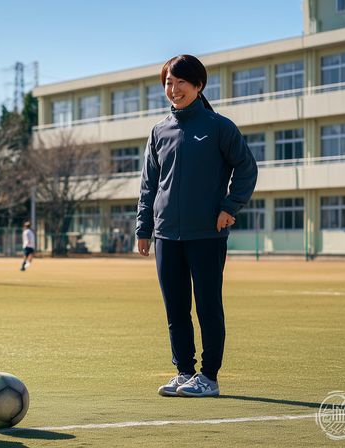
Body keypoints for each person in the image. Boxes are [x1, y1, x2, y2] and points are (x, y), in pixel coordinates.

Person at [136, 55, 257, 398]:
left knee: (207, 306)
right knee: (176, 309)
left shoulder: (219, 127)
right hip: (166, 234)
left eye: (181, 83)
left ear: (198, 85)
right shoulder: (159, 131)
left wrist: (230, 208)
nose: (173, 89)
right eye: (168, 83)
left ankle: (209, 377)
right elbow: (149, 184)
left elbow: (246, 168)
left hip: (206, 233)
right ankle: (184, 372)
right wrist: (144, 227)